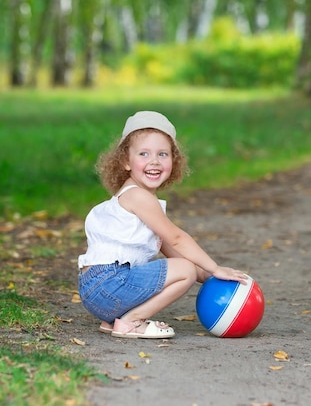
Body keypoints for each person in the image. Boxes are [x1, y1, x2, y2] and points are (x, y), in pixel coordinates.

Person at [77, 111, 248, 339]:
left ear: (173, 162)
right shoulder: (138, 197)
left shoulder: (136, 198)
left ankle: (113, 320)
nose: (154, 161)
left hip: (96, 292)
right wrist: (216, 267)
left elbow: (170, 247)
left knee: (185, 266)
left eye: (163, 154)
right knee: (184, 270)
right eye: (144, 153)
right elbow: (177, 238)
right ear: (125, 161)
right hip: (109, 283)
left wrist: (208, 276)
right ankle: (131, 321)